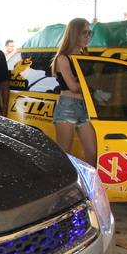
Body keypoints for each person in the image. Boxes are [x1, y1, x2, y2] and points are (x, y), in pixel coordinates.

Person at [49, 17, 97, 166]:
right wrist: (90, 84)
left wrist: (89, 84)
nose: (88, 37)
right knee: (64, 155)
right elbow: (74, 87)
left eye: (90, 33)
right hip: (67, 106)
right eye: (85, 33)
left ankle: (92, 181)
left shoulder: (84, 57)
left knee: (93, 154)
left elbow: (89, 83)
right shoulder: (63, 58)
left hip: (85, 106)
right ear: (75, 33)